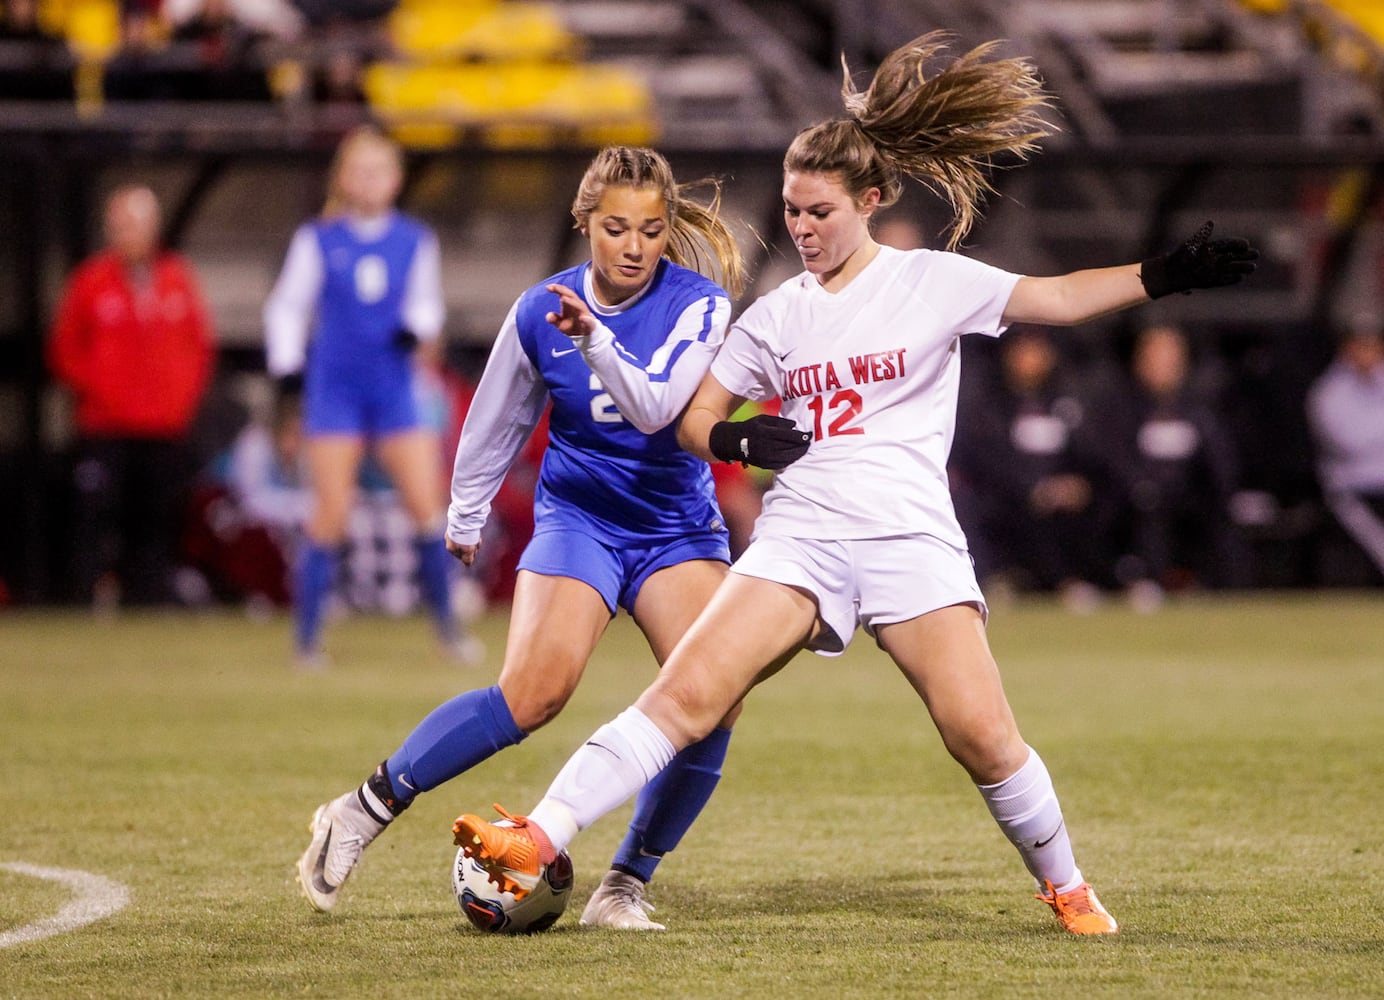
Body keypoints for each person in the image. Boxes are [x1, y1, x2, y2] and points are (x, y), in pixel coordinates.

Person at [451, 32, 1258, 937]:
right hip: (799, 539)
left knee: (981, 738)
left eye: (820, 211)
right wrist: (736, 437)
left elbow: (1058, 298)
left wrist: (1163, 276)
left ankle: (1068, 885)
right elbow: (691, 419)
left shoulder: (932, 282)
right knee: (685, 696)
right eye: (793, 211)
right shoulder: (777, 313)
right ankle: (537, 837)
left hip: (910, 538)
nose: (801, 229)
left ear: (871, 200)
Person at [297, 145, 782, 930]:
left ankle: (623, 885)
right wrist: (464, 512)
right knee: (532, 695)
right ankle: (359, 812)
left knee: (713, 701)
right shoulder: (538, 309)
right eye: (617, 227)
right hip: (579, 520)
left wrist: (594, 338)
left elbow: (658, 408)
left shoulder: (700, 305)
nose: (634, 246)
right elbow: (499, 415)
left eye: (651, 230)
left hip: (673, 529)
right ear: (584, 222)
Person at [263, 124, 474, 667]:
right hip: (335, 392)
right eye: (359, 171)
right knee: (329, 513)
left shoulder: (414, 239)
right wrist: (287, 368)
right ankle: (307, 642)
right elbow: (287, 306)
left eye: (379, 171)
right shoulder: (318, 239)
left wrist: (416, 327)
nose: (370, 181)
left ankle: (449, 630)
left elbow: (428, 305)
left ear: (396, 179)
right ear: (343, 179)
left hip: (394, 389)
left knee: (428, 509)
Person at [48, 184, 216, 607]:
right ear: (110, 228)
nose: (133, 233)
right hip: (105, 426)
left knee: (155, 519)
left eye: (141, 223)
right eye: (124, 224)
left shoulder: (177, 277)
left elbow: (199, 347)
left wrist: (179, 400)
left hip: (163, 427)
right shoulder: (91, 281)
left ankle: (149, 600)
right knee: (95, 513)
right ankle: (85, 600)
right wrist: (104, 391)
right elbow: (65, 350)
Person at [951, 326, 1116, 610]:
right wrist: (1031, 487)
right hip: (1008, 498)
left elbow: (1089, 453)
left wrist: (1074, 483)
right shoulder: (991, 402)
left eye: (1036, 350)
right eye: (1022, 350)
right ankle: (998, 577)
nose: (1029, 358)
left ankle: (1096, 577)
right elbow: (984, 458)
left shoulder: (1065, 400)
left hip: (1058, 496)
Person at [1110, 322, 1247, 609]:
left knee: (1222, 518)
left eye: (1170, 358)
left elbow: (1219, 463)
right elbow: (1116, 460)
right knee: (1146, 508)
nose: (1163, 366)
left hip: (1191, 499)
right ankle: (1147, 582)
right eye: (1155, 358)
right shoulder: (1121, 408)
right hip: (1140, 501)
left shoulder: (1199, 408)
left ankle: (1215, 586)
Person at [1305, 317, 1384, 584]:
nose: (1366, 352)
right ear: (1347, 348)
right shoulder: (1328, 392)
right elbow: (1347, 441)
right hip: (1351, 494)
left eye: (1372, 344)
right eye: (1360, 345)